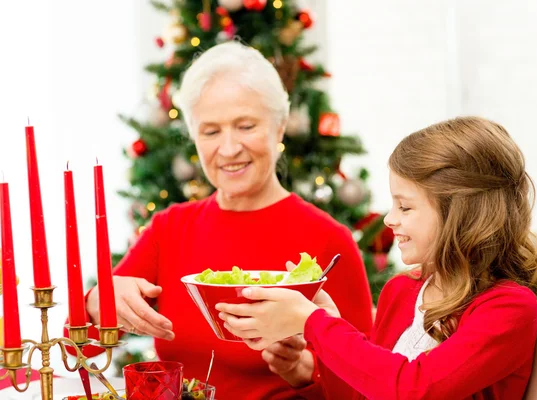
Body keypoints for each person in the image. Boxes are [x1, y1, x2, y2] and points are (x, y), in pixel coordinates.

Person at [80, 41, 373, 399]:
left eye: (246, 125)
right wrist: (97, 302)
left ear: (279, 128)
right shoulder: (169, 229)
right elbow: (81, 352)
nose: (230, 148)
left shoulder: (329, 239)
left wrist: (304, 373)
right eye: (211, 131)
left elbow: (367, 384)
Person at [216, 116, 537, 400]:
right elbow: (367, 392)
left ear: (460, 215)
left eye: (405, 207)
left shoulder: (508, 310)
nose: (389, 219)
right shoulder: (401, 290)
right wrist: (307, 364)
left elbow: (413, 389)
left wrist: (313, 322)